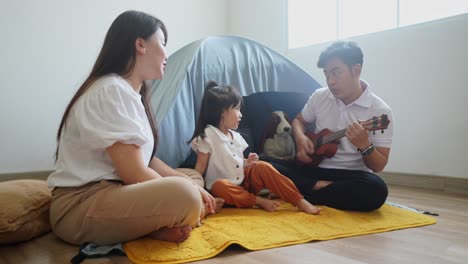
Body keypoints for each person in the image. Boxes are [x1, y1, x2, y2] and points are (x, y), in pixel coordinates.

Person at [47, 10, 218, 246]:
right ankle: (159, 222)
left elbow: (147, 162)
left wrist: (187, 181)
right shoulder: (111, 89)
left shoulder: (129, 94)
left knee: (192, 179)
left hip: (117, 193)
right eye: (163, 43)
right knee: (185, 195)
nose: (166, 54)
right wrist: (186, 190)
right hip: (81, 206)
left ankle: (151, 226)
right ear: (140, 44)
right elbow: (134, 173)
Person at [287, 41, 394, 212]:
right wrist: (300, 138)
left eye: (336, 73)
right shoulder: (319, 96)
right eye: (326, 74)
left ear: (356, 70)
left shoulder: (380, 111)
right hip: (315, 169)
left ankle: (302, 192)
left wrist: (365, 146)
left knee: (377, 190)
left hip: (351, 176)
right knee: (265, 163)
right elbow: (298, 121)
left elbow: (378, 166)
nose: (330, 81)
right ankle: (318, 188)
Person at [189, 81, 321, 214]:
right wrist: (197, 190)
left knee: (262, 166)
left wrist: (248, 162)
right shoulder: (208, 135)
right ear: (222, 112)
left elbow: (236, 164)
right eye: (237, 109)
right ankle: (258, 201)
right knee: (219, 186)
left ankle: (299, 200)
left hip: (244, 184)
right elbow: (199, 168)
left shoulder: (236, 136)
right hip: (225, 190)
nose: (240, 114)